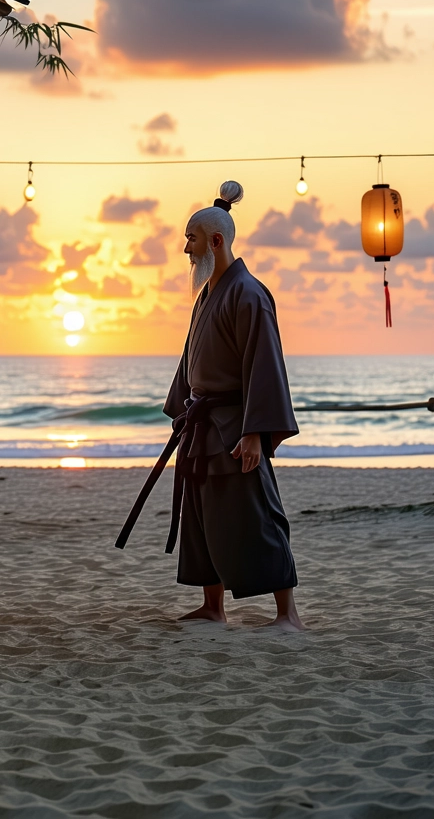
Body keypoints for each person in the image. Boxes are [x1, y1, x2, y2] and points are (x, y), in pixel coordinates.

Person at [117, 181, 305, 631]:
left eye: (191, 238)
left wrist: (256, 432)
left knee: (258, 515)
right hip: (202, 427)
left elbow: (264, 365)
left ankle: (288, 615)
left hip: (234, 426)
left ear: (215, 241)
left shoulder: (249, 294)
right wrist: (182, 412)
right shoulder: (206, 296)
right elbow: (190, 361)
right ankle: (213, 607)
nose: (185, 248)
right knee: (201, 520)